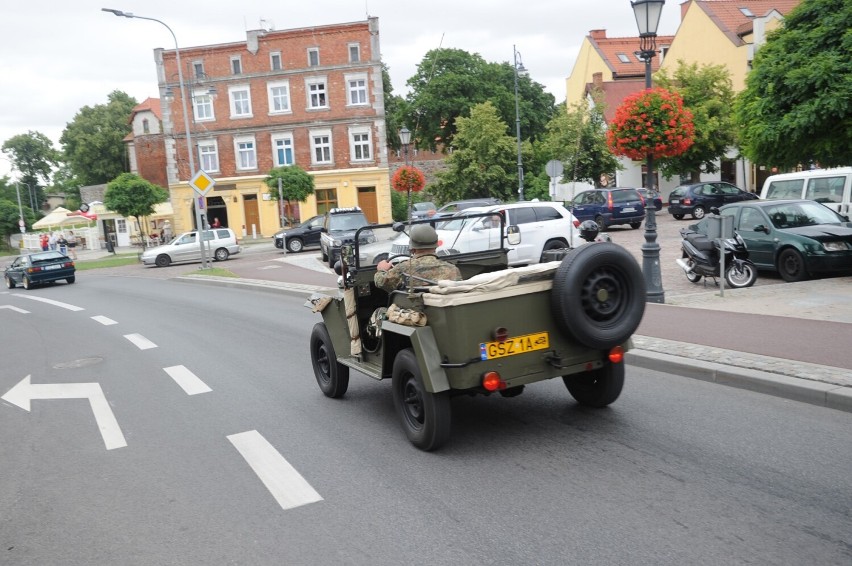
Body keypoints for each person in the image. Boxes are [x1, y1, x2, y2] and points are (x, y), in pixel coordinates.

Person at [374, 224, 462, 292]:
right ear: (436, 246)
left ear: (412, 248)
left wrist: (381, 270)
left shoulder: (403, 268)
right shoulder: (453, 269)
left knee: (379, 312)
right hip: (446, 314)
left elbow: (382, 282)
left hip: (415, 313)